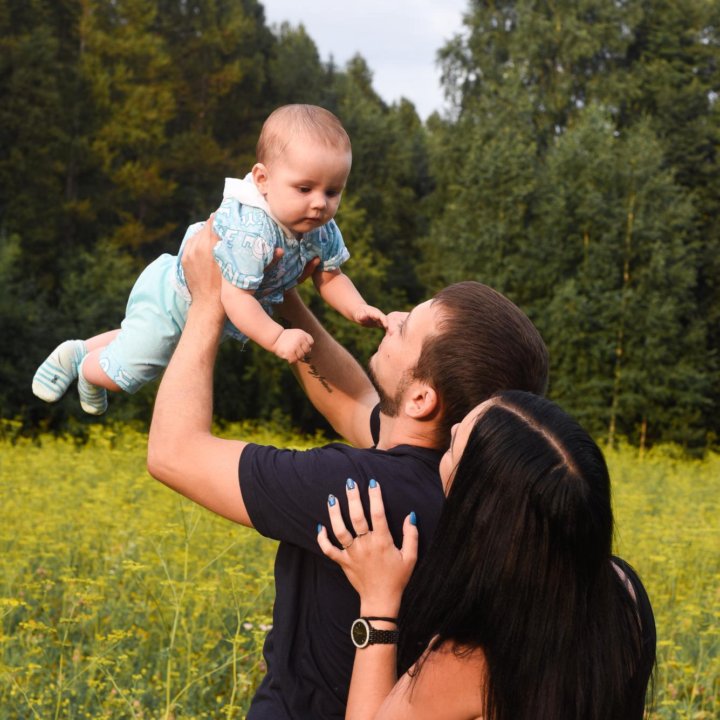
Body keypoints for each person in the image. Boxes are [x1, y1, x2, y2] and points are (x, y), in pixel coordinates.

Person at [145, 220, 550, 719]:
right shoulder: (474, 491)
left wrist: (210, 300)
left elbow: (173, 452)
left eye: (407, 327)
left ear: (423, 399)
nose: (393, 317)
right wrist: (283, 297)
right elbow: (353, 402)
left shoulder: (357, 490)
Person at [318, 391, 656, 720]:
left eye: (456, 444)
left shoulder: (468, 659)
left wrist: (379, 605)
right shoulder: (624, 593)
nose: (450, 428)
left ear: (477, 509)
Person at [32, 104, 385, 415]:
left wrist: (357, 308)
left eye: (332, 191)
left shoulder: (319, 227)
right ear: (262, 179)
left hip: (192, 304)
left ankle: (78, 350)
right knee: (123, 375)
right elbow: (235, 297)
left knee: (136, 338)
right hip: (176, 300)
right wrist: (277, 339)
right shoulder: (253, 232)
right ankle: (88, 370)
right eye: (305, 189)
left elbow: (330, 275)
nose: (320, 203)